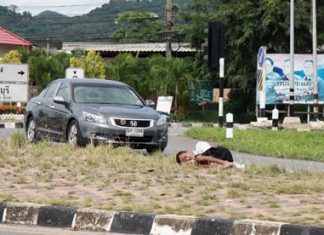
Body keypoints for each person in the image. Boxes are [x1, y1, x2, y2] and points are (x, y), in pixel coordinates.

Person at [176, 141, 245, 169]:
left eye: (185, 157)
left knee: (198, 159)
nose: (187, 159)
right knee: (200, 164)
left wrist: (195, 159)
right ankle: (231, 165)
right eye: (185, 160)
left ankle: (225, 163)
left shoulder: (198, 146)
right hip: (226, 159)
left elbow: (211, 151)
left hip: (221, 152)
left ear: (187, 151)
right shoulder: (196, 163)